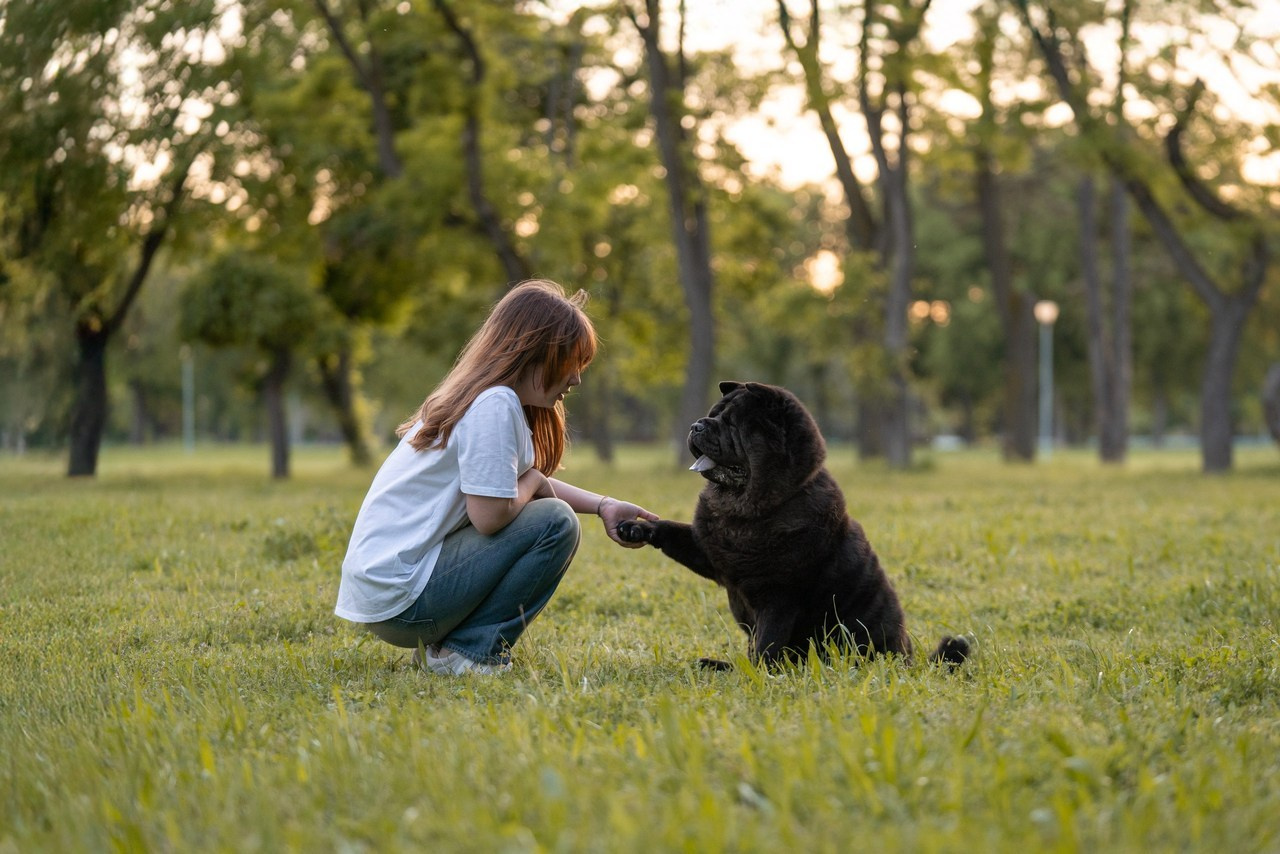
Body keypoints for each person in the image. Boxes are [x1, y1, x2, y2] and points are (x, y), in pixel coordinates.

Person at [335, 279, 659, 675]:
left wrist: (604, 505)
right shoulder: (495, 405)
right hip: (403, 601)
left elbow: (522, 482)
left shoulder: (487, 398)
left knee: (548, 513)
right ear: (535, 353)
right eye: (571, 363)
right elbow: (492, 517)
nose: (576, 379)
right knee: (556, 523)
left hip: (390, 596)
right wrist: (537, 482)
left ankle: (445, 650)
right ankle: (467, 654)